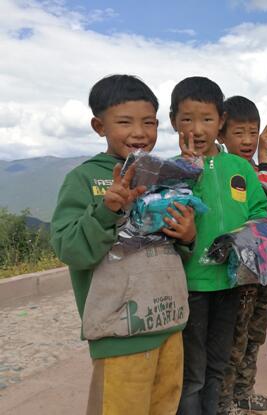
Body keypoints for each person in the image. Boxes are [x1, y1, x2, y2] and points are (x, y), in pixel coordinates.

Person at [51, 74, 196, 415]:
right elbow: (70, 249)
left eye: (149, 122)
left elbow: (174, 247)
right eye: (125, 122)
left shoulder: (164, 176)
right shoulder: (84, 179)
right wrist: (107, 210)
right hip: (119, 333)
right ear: (99, 126)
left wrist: (188, 236)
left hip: (169, 323)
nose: (139, 132)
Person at [171, 77, 267, 415]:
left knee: (218, 364)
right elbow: (172, 214)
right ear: (173, 121)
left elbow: (259, 209)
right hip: (192, 284)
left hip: (230, 282)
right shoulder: (171, 170)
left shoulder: (239, 167)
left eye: (207, 119)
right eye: (187, 119)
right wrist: (189, 173)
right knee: (192, 373)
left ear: (221, 121)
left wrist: (248, 234)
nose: (197, 129)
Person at [216, 96, 267, 415]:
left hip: (262, 269)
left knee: (255, 333)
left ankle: (245, 392)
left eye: (252, 133)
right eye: (238, 133)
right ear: (221, 134)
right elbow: (266, 197)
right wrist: (266, 158)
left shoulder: (256, 168)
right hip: (237, 273)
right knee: (235, 338)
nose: (246, 141)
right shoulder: (225, 171)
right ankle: (225, 402)